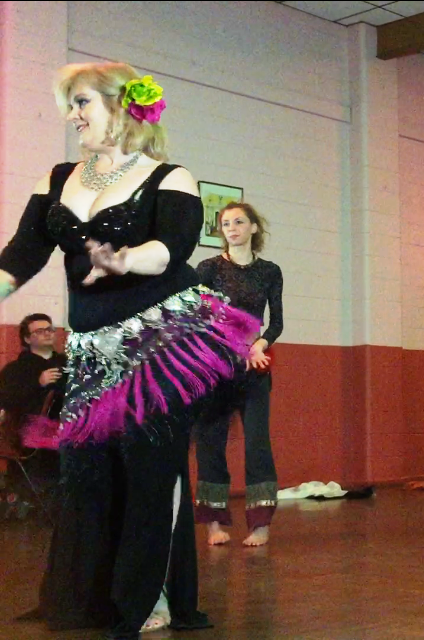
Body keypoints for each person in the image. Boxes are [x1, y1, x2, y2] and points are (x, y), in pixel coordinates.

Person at [0, 62, 259, 639]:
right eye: (71, 105)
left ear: (122, 108)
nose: (72, 116)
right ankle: (87, 597)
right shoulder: (59, 177)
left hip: (159, 342)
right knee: (85, 472)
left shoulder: (172, 177)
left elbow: (171, 248)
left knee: (149, 472)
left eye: (83, 103)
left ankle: (150, 598)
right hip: (91, 346)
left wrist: (123, 258)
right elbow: (20, 255)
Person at [194, 202, 283, 547]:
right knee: (210, 443)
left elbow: (275, 321)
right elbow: (199, 319)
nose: (231, 228)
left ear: (253, 228)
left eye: (238, 222)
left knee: (258, 443)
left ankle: (260, 523)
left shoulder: (270, 271)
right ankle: (215, 523)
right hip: (215, 368)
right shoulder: (208, 268)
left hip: (254, 368)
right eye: (226, 223)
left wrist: (259, 344)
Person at [0, 313, 67, 512]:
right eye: (40, 331)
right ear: (27, 339)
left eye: (50, 329)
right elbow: (8, 401)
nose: (47, 334)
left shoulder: (66, 364)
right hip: (29, 430)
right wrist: (38, 384)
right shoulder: (16, 369)